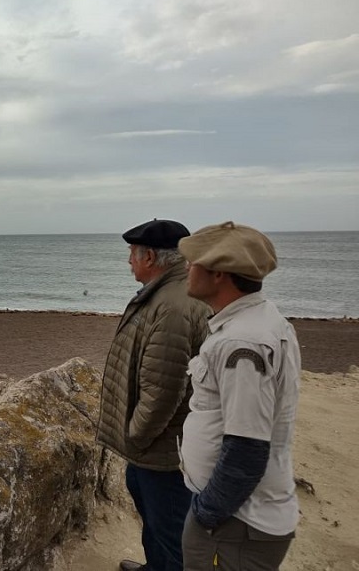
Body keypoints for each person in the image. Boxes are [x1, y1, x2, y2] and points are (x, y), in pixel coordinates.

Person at [177, 221, 301, 571]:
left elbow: (247, 448)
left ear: (220, 274)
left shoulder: (242, 342)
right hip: (236, 517)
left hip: (236, 521)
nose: (188, 268)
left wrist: (205, 516)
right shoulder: (258, 322)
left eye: (195, 261)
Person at [98, 219, 211, 571]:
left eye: (132, 254)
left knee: (171, 532)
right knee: (157, 523)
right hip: (155, 450)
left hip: (163, 452)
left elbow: (164, 389)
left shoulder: (173, 306)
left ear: (150, 257)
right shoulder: (167, 293)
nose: (128, 261)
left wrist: (137, 436)